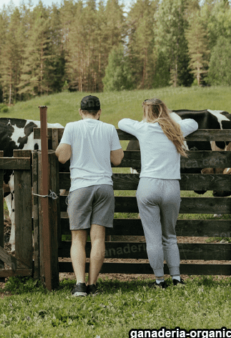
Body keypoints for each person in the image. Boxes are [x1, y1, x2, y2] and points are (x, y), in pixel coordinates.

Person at [118, 98, 198, 289]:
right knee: (170, 236)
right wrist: (169, 120)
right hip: (171, 186)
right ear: (164, 110)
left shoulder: (142, 128)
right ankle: (177, 279)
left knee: (153, 237)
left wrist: (145, 120)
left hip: (148, 185)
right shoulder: (176, 129)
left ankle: (159, 281)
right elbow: (194, 122)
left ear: (146, 111)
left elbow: (121, 122)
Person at [55, 95, 124, 297]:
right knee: (98, 237)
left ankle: (80, 285)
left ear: (80, 112)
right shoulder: (109, 128)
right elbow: (118, 159)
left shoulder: (72, 127)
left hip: (81, 186)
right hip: (104, 186)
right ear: (99, 112)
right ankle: (93, 285)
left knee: (77, 238)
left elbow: (63, 156)